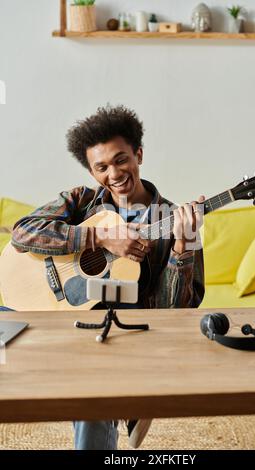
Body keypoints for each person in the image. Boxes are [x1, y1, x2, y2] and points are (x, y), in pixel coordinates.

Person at [9, 105, 205, 450]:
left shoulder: (176, 221)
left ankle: (128, 397)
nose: (113, 173)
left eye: (121, 160)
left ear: (138, 154)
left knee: (90, 394)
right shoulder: (80, 201)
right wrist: (97, 238)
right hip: (59, 317)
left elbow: (175, 313)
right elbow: (22, 234)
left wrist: (181, 250)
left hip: (121, 334)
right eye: (101, 167)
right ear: (91, 170)